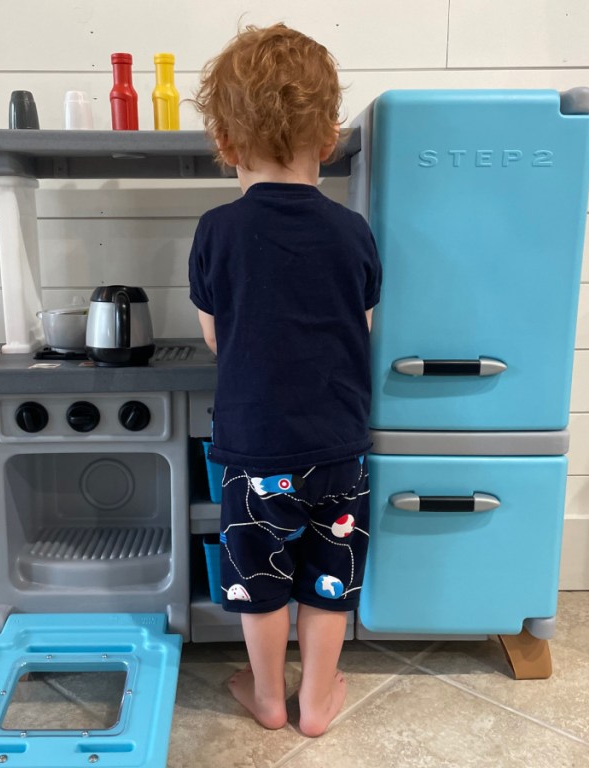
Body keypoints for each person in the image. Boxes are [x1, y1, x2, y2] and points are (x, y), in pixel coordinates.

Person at [188, 23, 382, 738]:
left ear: (226, 144)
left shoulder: (216, 231)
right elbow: (359, 323)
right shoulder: (353, 231)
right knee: (329, 574)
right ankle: (317, 699)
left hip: (250, 449)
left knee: (258, 576)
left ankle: (268, 696)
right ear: (329, 140)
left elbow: (216, 334)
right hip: (335, 443)